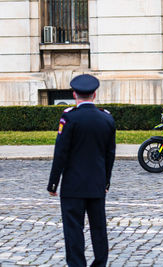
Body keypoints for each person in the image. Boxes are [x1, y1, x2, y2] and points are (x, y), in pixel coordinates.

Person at [47, 74, 116, 266]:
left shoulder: (69, 118)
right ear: (94, 94)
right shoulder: (106, 119)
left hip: (73, 185)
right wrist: (106, 182)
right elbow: (110, 155)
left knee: (73, 229)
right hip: (96, 184)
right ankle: (100, 263)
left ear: (74, 94)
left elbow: (60, 152)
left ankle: (77, 264)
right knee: (98, 228)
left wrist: (53, 183)